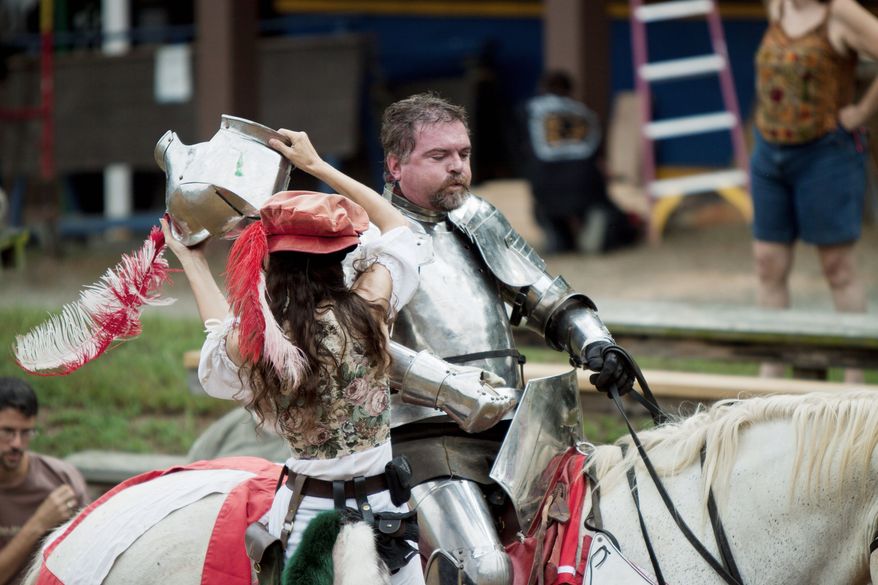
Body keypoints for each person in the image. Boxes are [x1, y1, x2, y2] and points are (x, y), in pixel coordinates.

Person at [375, 92, 635, 584]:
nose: (457, 167)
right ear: (395, 165)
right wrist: (452, 387)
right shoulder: (371, 235)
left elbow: (547, 296)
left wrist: (597, 342)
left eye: (463, 155)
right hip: (423, 435)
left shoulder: (478, 220)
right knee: (483, 569)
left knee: (593, 538)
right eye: (439, 156)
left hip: (514, 428)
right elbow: (362, 346)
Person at [159, 131, 425, 584]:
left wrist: (193, 261)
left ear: (266, 261)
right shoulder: (372, 307)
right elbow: (399, 228)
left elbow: (217, 342)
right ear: (342, 253)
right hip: (385, 514)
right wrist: (317, 164)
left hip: (306, 515)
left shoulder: (254, 339)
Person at [752, 0, 878, 383]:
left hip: (826, 154)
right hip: (770, 153)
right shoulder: (777, 5)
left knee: (837, 267)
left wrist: (860, 112)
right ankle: (771, 371)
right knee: (768, 264)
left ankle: (854, 384)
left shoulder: (839, 11)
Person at [0, 378, 89, 585]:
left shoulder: (62, 480)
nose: (17, 443)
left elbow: (88, 561)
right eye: (7, 432)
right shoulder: (52, 502)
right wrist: (39, 523)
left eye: (26, 432)